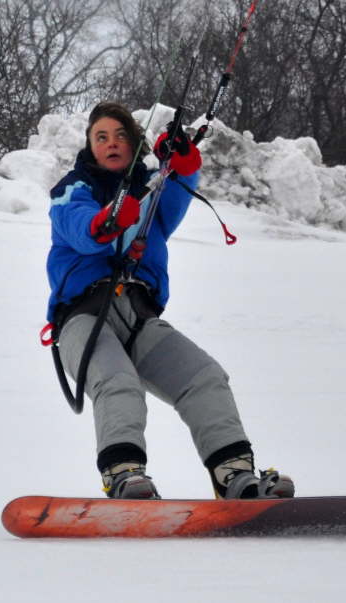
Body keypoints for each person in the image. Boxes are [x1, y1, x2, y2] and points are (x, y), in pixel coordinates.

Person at [46, 101, 294, 500]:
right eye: (101, 137)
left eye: (121, 136)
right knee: (118, 382)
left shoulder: (151, 187)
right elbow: (78, 227)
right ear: (90, 147)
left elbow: (176, 192)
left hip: (140, 318)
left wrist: (181, 161)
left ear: (134, 142)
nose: (111, 144)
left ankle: (234, 475)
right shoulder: (73, 189)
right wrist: (106, 220)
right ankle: (124, 475)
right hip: (83, 319)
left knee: (205, 377)